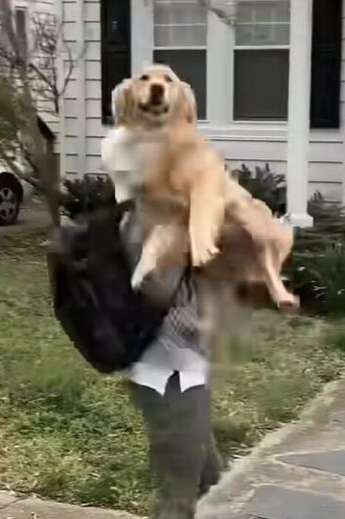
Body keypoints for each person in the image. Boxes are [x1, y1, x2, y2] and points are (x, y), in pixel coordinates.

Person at [120, 207, 223, 519]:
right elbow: (158, 290)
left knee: (210, 476)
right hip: (167, 377)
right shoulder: (158, 226)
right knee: (179, 496)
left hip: (187, 374)